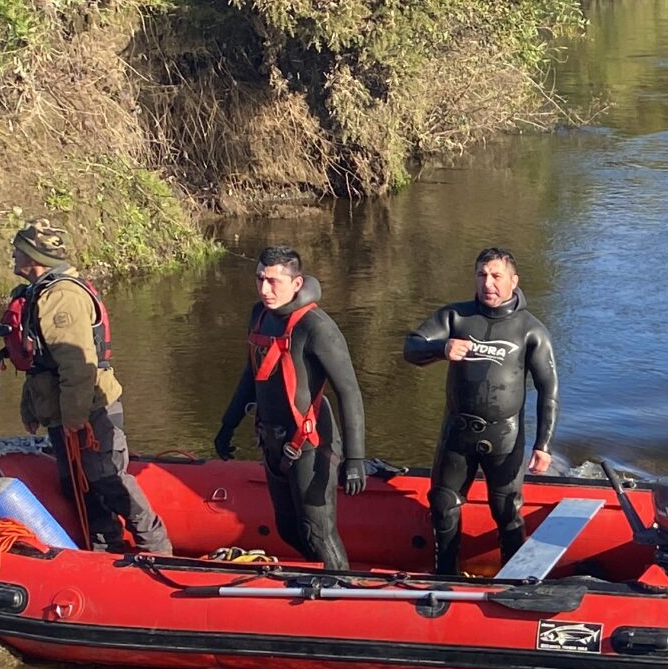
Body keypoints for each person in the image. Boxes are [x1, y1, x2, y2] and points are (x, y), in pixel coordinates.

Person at [2, 222, 171, 555]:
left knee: (108, 480)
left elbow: (77, 365)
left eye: (18, 249)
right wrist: (31, 408)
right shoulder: (40, 292)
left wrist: (75, 417)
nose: (13, 254)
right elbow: (40, 363)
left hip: (90, 409)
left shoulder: (61, 298)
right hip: (62, 409)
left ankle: (157, 548)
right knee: (77, 488)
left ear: (35, 256)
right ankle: (106, 551)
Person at [403, 248, 561, 577]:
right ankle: (445, 577)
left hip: (504, 436)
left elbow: (549, 391)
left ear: (513, 281)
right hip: (457, 434)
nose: (487, 283)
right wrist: (440, 348)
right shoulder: (456, 318)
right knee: (444, 506)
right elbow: (411, 347)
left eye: (495, 276)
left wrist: (543, 445)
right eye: (481, 275)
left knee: (506, 511)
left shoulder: (530, 330)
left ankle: (515, 580)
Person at [215, 245, 368, 571]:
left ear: (296, 284)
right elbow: (250, 375)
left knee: (319, 533)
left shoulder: (317, 328)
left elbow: (349, 393)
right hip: (272, 441)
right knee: (287, 529)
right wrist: (228, 424)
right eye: (260, 279)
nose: (264, 289)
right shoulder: (258, 316)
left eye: (273, 282)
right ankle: (319, 582)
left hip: (311, 444)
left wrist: (355, 458)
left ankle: (341, 593)